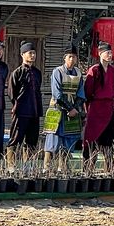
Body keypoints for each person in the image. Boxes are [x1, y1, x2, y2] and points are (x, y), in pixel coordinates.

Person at [43, 44, 85, 173]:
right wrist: (69, 108)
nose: (72, 60)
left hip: (72, 110)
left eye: (74, 57)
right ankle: (47, 166)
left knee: (69, 138)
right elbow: (57, 93)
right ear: (65, 58)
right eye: (69, 57)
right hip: (57, 108)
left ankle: (63, 166)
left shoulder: (78, 73)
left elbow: (81, 93)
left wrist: (75, 108)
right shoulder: (58, 71)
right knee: (53, 137)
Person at [5, 41, 43, 173]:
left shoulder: (37, 73)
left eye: (34, 53)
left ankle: (29, 167)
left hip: (34, 111)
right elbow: (11, 93)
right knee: (15, 139)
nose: (32, 55)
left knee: (32, 141)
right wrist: (17, 105)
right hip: (21, 112)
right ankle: (11, 166)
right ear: (22, 55)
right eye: (30, 53)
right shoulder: (17, 73)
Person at [83, 41, 114, 175]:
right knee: (91, 138)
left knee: (108, 139)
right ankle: (88, 168)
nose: (110, 55)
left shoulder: (113, 70)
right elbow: (88, 91)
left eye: (110, 52)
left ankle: (110, 167)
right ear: (100, 54)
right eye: (107, 53)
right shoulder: (94, 70)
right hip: (96, 107)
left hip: (108, 107)